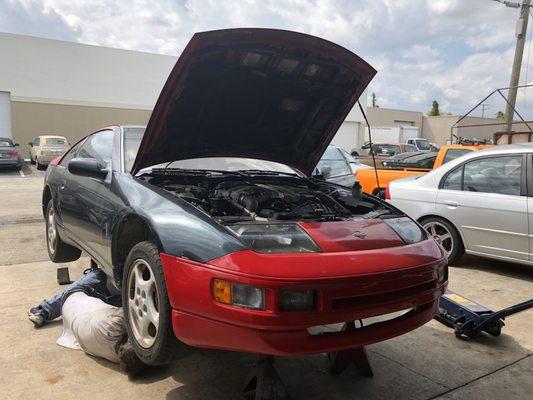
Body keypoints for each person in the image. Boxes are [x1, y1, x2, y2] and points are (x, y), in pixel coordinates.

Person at [28, 264, 146, 375]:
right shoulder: (116, 358)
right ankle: (43, 311)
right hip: (77, 317)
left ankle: (43, 310)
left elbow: (134, 311)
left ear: (130, 341)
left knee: (99, 272)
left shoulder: (112, 326)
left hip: (75, 297)